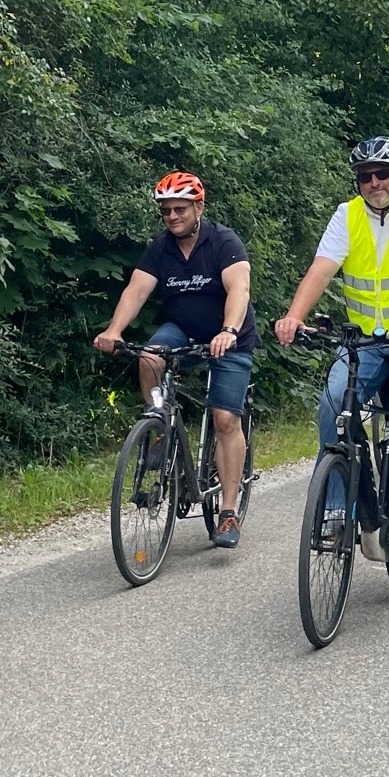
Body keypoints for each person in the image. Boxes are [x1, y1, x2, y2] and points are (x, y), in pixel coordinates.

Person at [275, 137, 389, 560]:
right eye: (364, 176)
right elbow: (321, 270)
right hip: (366, 341)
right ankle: (339, 509)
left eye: (382, 173)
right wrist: (293, 316)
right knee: (334, 404)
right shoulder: (347, 215)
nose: (373, 182)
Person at [94, 172, 257, 547]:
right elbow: (136, 289)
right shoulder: (161, 247)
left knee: (225, 418)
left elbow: (239, 289)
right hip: (182, 328)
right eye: (165, 210)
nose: (172, 216)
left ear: (198, 207)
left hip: (229, 337)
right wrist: (114, 330)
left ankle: (228, 512)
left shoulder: (223, 242)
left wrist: (228, 331)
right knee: (150, 357)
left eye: (180, 209)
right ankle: (159, 426)